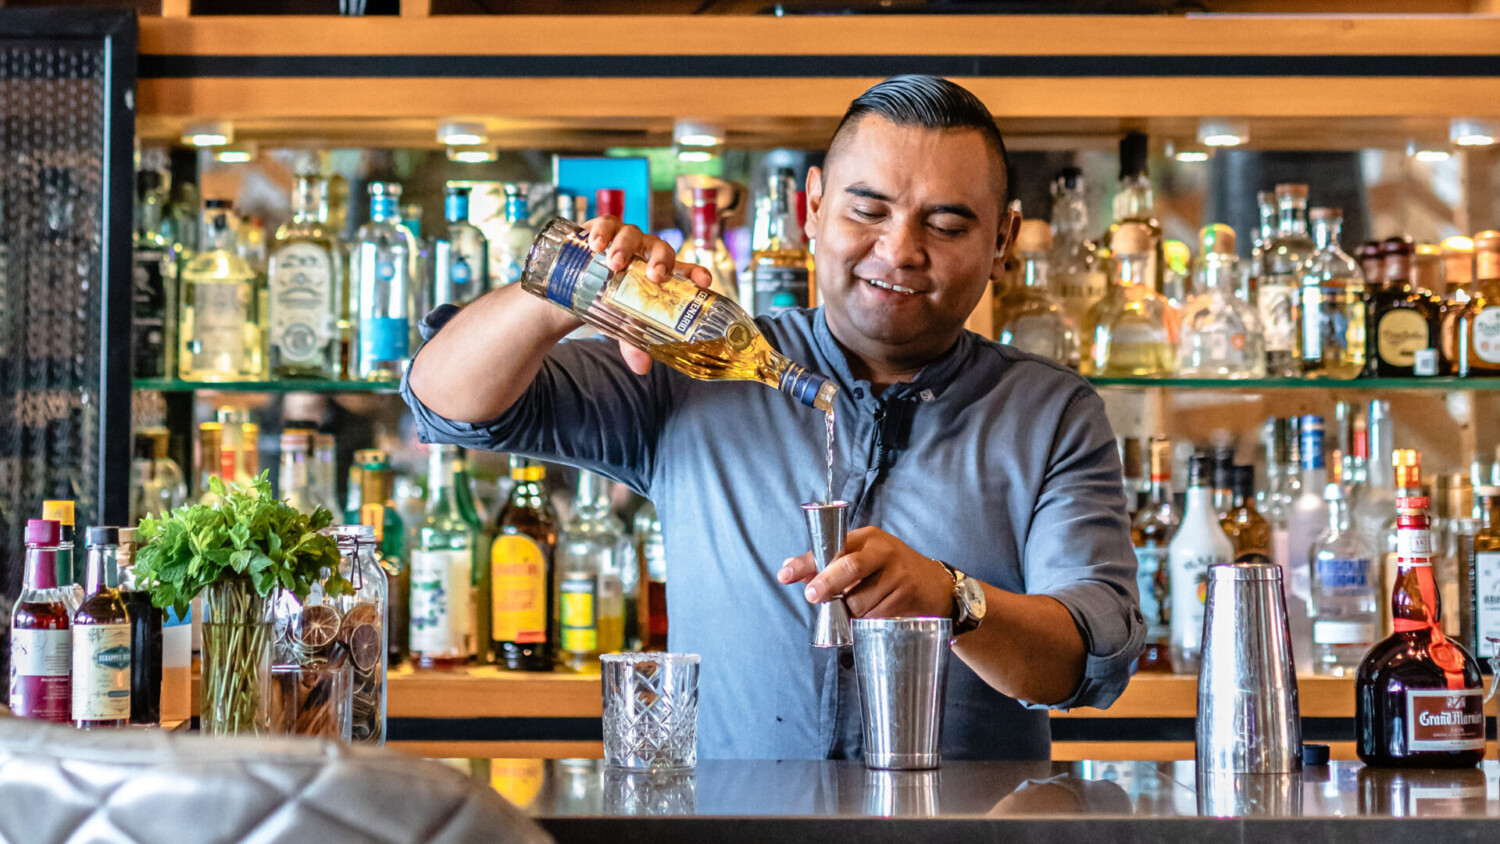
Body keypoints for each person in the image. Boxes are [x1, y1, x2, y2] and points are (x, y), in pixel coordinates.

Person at [403, 74, 1143, 760]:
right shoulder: (691, 372)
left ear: (1002, 240)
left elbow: (1094, 655)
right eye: (868, 210)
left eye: (946, 224)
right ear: (811, 208)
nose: (899, 250)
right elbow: (443, 403)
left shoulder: (1050, 412)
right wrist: (565, 287)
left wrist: (955, 601)